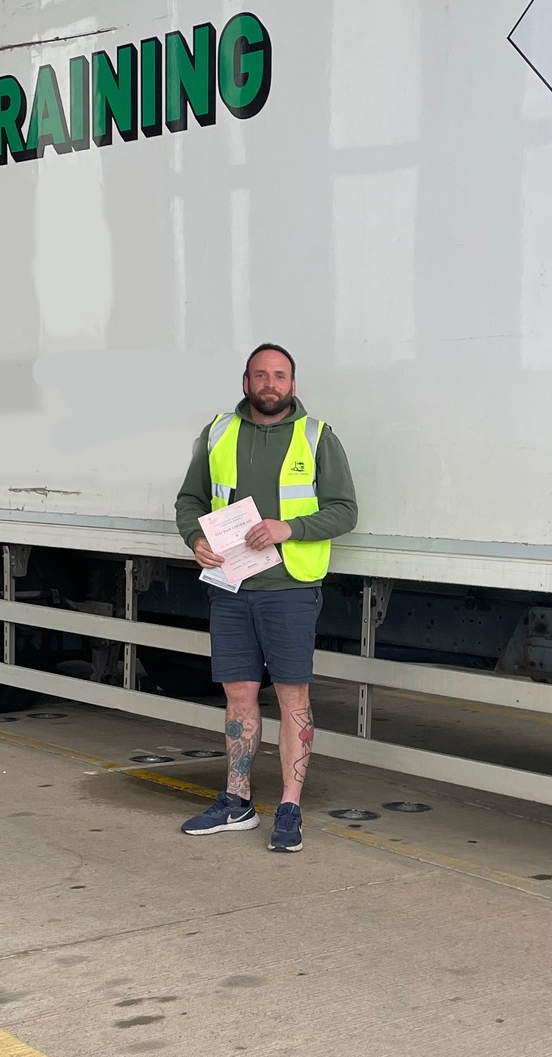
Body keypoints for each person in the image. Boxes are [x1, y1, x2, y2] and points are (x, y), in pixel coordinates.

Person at [173, 343, 357, 851]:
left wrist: (288, 527)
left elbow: (345, 511)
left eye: (279, 376)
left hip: (290, 590)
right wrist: (196, 539)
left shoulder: (318, 436)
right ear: (246, 382)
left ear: (293, 385)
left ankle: (290, 808)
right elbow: (189, 500)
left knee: (293, 698)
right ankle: (237, 802)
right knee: (238, 696)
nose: (269, 384)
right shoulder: (217, 433)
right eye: (260, 375)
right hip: (232, 589)